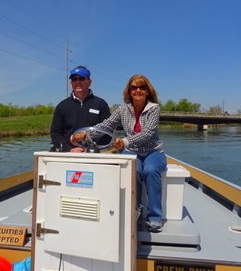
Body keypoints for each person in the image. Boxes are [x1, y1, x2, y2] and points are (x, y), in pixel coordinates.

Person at [72, 74, 167, 232]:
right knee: (132, 172)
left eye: (142, 87)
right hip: (132, 151)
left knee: (151, 171)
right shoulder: (123, 110)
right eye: (134, 88)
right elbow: (106, 125)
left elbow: (148, 133)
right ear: (129, 91)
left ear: (148, 91)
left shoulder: (154, 109)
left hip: (153, 151)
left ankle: (154, 217)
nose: (137, 90)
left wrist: (124, 142)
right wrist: (85, 135)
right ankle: (134, 213)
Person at [50, 65, 111, 152]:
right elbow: (56, 133)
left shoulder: (101, 104)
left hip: (95, 154)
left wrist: (92, 150)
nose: (77, 82)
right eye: (74, 79)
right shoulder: (62, 106)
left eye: (82, 78)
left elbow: (107, 131)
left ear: (89, 82)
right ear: (71, 84)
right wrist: (69, 150)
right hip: (68, 154)